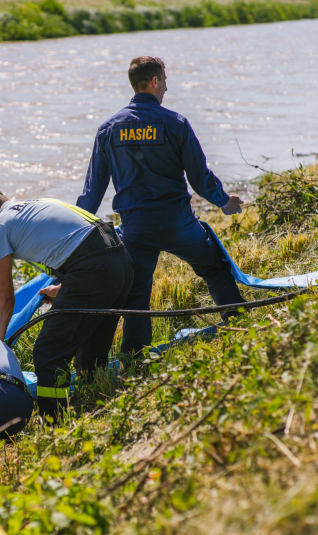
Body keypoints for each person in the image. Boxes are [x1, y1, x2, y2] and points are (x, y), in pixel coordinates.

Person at [76, 56, 246, 357]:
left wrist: (72, 235)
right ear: (154, 81)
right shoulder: (176, 123)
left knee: (136, 294)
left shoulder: (108, 130)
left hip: (135, 229)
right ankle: (237, 321)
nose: (167, 87)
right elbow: (199, 177)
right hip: (178, 224)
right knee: (214, 266)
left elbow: (92, 192)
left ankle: (134, 357)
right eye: (165, 80)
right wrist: (225, 202)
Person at [0, 187, 133, 420]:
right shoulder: (37, 204)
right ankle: (94, 408)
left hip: (92, 270)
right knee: (92, 348)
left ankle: (54, 422)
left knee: (48, 353)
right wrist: (63, 288)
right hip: (120, 262)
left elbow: (4, 295)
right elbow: (81, 244)